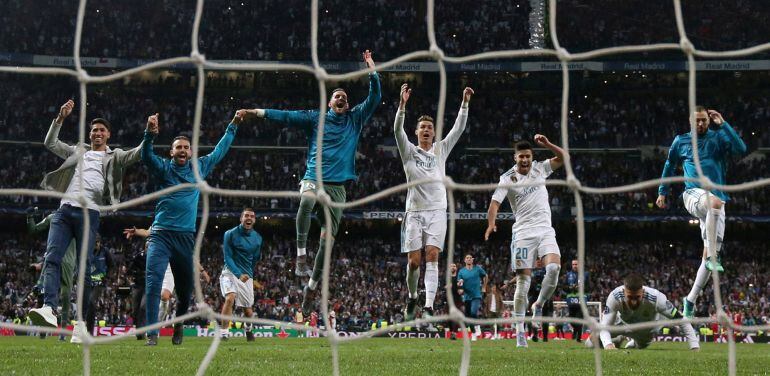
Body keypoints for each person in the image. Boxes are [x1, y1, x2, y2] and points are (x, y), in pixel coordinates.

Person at [240, 50, 381, 313]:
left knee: (327, 244)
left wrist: (371, 68)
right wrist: (256, 112)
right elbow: (284, 115)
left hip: (337, 190)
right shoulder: (315, 118)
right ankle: (300, 256)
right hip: (313, 178)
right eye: (336, 96)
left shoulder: (354, 120)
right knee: (306, 200)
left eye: (344, 97)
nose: (341, 98)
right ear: (329, 103)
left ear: (347, 105)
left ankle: (311, 288)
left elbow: (376, 96)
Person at [29, 100, 143, 329]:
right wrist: (60, 119)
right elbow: (50, 143)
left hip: (89, 213)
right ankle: (49, 309)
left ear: (108, 135)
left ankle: (81, 322)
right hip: (64, 210)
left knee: (84, 267)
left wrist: (149, 135)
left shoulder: (114, 156)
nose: (97, 133)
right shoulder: (78, 150)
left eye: (101, 130)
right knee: (51, 258)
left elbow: (136, 155)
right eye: (94, 130)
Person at [141, 111, 240, 345]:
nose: (183, 150)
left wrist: (233, 125)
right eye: (179, 147)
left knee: (184, 292)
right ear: (172, 152)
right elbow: (146, 156)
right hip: (160, 235)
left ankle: (178, 325)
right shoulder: (164, 168)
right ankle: (152, 334)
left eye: (186, 147)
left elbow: (220, 151)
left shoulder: (200, 168)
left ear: (191, 152)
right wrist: (149, 134)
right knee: (153, 282)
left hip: (185, 238)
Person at [656, 106, 747, 318]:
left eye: (704, 120)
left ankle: (690, 300)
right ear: (690, 121)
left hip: (718, 202)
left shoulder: (718, 138)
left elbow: (741, 149)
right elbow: (669, 165)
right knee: (714, 207)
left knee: (707, 256)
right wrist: (663, 191)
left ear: (709, 120)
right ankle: (714, 257)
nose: (700, 124)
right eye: (696, 121)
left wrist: (723, 124)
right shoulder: (681, 141)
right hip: (693, 195)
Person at [394, 83, 474, 322]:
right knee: (413, 262)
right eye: (422, 128)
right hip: (414, 211)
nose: (427, 130)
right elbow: (397, 130)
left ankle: (428, 306)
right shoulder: (408, 151)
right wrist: (402, 106)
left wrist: (465, 103)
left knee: (432, 256)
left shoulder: (440, 150)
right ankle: (412, 296)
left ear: (434, 133)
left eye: (430, 127)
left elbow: (458, 129)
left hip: (438, 211)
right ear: (417, 132)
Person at [484, 135, 567, 348]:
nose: (525, 160)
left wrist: (548, 145)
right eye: (521, 156)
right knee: (523, 283)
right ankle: (520, 332)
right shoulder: (507, 178)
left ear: (532, 157)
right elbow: (494, 203)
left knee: (554, 269)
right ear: (515, 157)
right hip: (522, 234)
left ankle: (538, 305)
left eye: (528, 156)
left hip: (545, 230)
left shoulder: (541, 168)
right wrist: (491, 223)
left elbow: (564, 157)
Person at [585, 273, 700, 351]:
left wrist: (695, 347)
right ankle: (619, 338)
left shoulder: (656, 298)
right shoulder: (615, 296)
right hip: (622, 326)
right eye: (630, 297)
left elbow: (681, 320)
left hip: (645, 333)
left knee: (636, 348)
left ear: (643, 292)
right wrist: (608, 345)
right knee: (589, 344)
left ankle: (628, 341)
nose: (634, 302)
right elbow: (605, 326)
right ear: (624, 292)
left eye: (637, 297)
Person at [26, 209, 76, 341]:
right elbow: (34, 230)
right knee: (46, 295)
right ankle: (46, 333)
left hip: (65, 260)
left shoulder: (60, 217)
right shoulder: (58, 217)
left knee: (64, 296)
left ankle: (62, 333)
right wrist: (29, 217)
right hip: (59, 259)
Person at [218, 208, 263, 342]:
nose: (249, 218)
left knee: (248, 311)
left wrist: (249, 273)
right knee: (230, 298)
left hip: (246, 276)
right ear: (241, 218)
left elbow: (255, 258)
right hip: (230, 272)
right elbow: (227, 257)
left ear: (254, 220)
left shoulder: (258, 238)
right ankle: (224, 333)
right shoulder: (229, 234)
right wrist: (238, 273)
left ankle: (248, 329)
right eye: (246, 216)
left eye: (252, 216)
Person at [83, 236, 114, 340]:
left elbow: (112, 266)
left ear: (100, 242)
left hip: (99, 283)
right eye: (94, 242)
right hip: (87, 282)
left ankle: (89, 332)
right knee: (85, 305)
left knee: (91, 302)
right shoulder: (86, 251)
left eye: (98, 242)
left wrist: (107, 277)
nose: (96, 244)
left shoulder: (105, 252)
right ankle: (82, 329)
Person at [456, 254, 487, 341]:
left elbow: (485, 276)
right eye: (467, 258)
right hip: (467, 296)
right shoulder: (461, 271)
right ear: (465, 260)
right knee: (468, 317)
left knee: (473, 312)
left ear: (472, 260)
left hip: (476, 295)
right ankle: (473, 333)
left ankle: (477, 327)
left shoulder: (477, 268)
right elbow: (459, 284)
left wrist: (484, 286)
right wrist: (459, 285)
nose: (469, 259)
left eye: (470, 258)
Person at [565, 259, 589, 342]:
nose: (575, 266)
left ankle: (578, 338)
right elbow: (564, 287)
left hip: (581, 298)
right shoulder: (568, 275)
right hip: (571, 299)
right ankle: (575, 330)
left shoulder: (585, 274)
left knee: (580, 318)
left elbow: (590, 287)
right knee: (571, 319)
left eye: (576, 264)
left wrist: (582, 288)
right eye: (573, 264)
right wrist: (569, 288)